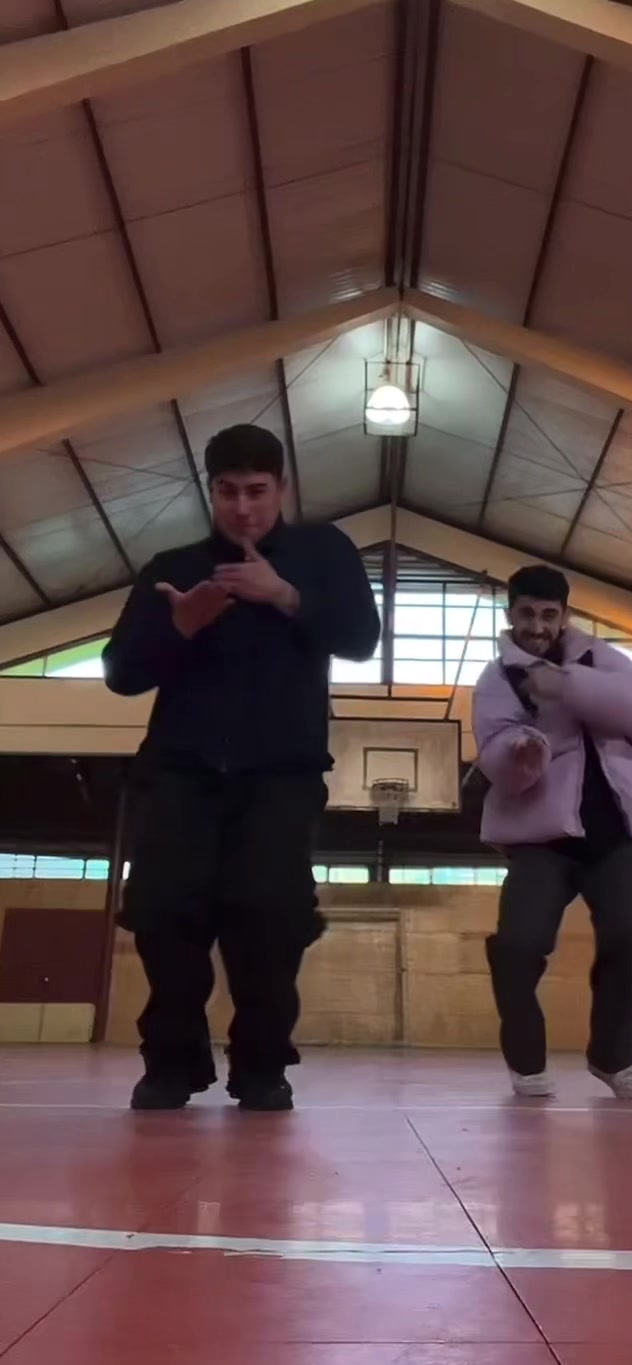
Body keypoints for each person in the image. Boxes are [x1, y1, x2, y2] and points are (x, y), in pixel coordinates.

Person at [103, 424, 380, 1113]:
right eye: (227, 492)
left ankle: (261, 1066)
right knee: (165, 913)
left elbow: (359, 638)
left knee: (269, 918)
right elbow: (121, 673)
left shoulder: (323, 552)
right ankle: (171, 1064)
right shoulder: (173, 566)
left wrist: (285, 595)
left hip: (280, 774)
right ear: (211, 491)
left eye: (257, 491)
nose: (243, 508)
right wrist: (180, 627)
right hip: (180, 770)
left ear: (283, 488)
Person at [472, 564, 632, 1101]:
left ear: (564, 616)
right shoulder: (497, 679)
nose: (537, 626)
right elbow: (494, 751)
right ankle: (526, 1063)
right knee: (517, 947)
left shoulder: (601, 658)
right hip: (541, 840)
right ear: (510, 614)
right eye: (526, 614)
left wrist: (565, 686)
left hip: (618, 834)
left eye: (548, 614)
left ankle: (613, 1058)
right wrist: (521, 756)